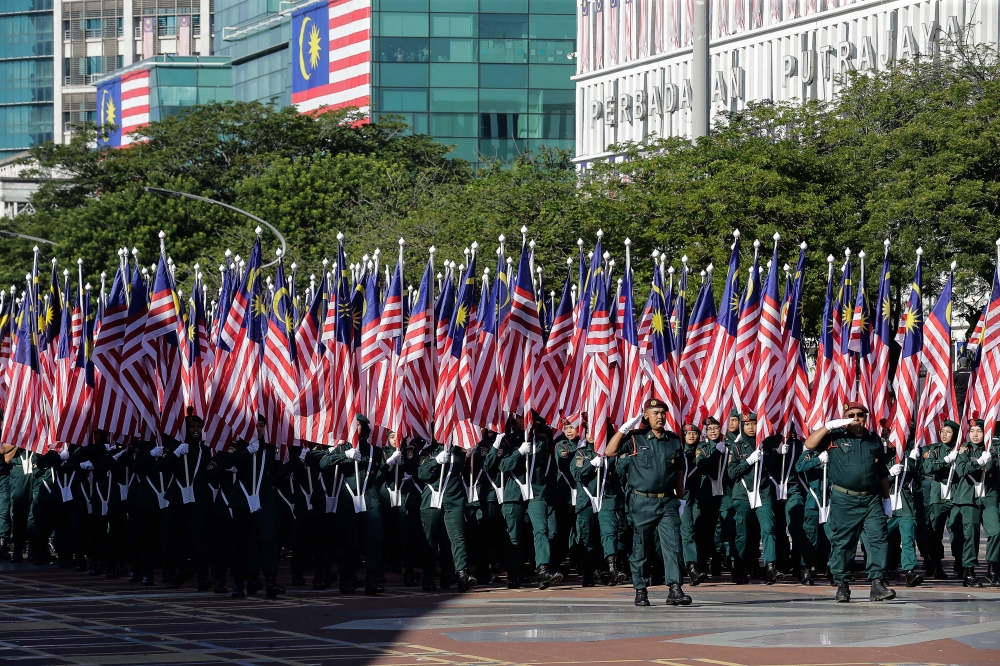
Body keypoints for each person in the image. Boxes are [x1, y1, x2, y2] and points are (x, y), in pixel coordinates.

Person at [804, 402, 895, 602]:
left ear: (866, 417)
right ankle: (842, 585)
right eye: (851, 414)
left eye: (860, 414)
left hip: (871, 499)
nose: (856, 418)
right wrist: (829, 426)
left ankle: (877, 584)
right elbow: (809, 444)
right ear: (844, 417)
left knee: (878, 540)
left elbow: (882, 473)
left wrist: (887, 499)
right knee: (843, 543)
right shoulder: (834, 437)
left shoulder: (874, 441)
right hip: (844, 499)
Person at [606, 397, 691, 607]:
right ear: (646, 416)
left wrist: (680, 500)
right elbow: (610, 451)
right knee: (641, 547)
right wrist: (624, 429)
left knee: (673, 546)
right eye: (655, 413)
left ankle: (675, 589)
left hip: (668, 501)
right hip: (642, 501)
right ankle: (641, 589)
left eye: (663, 413)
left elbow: (679, 472)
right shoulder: (636, 438)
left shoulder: (673, 440)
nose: (660, 416)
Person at [726, 412, 783, 584]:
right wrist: (748, 461)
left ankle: (770, 567)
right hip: (743, 494)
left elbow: (775, 468)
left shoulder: (765, 445)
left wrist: (779, 454)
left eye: (754, 424)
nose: (751, 428)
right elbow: (731, 472)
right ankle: (740, 568)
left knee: (768, 529)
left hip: (763, 493)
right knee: (742, 534)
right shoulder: (736, 447)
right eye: (747, 424)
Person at [417, 439, 476, 592]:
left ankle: (461, 573)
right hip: (432, 501)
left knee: (457, 538)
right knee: (430, 540)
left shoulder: (460, 452)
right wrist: (435, 461)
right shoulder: (427, 452)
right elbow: (422, 474)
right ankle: (428, 577)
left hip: (454, 499)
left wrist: (472, 455)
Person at [920, 420, 961, 579]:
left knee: (957, 529)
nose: (944, 435)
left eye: (948, 432)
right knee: (935, 531)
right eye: (942, 432)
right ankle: (936, 564)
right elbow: (927, 467)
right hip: (938, 495)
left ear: (955, 435)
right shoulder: (935, 450)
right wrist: (944, 461)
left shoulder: (961, 450)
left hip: (956, 493)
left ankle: (960, 562)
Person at [952, 419, 990, 587]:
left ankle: (993, 567)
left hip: (988, 497)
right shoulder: (964, 450)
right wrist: (979, 462)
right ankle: (969, 572)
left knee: (995, 532)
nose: (975, 434)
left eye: (979, 431)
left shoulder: (992, 449)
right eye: (972, 431)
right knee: (971, 535)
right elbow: (961, 470)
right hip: (968, 498)